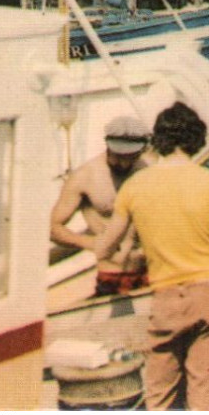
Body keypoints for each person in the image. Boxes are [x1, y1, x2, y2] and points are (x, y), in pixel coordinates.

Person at [95, 102, 209, 411]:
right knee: (203, 395)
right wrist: (206, 251)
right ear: (196, 140)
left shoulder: (134, 188)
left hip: (167, 301)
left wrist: (134, 250)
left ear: (158, 141)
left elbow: (103, 249)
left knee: (159, 396)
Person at [50, 115, 151, 296]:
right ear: (107, 145)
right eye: (118, 156)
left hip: (152, 269)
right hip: (112, 273)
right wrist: (89, 242)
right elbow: (52, 227)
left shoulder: (150, 170)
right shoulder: (85, 176)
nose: (124, 163)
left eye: (131, 156)